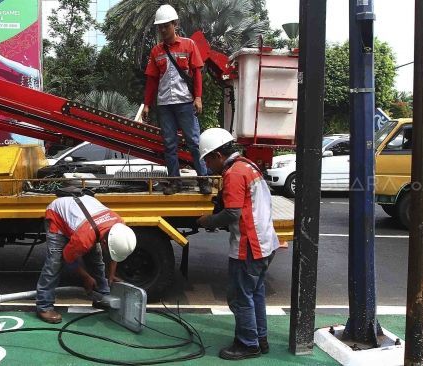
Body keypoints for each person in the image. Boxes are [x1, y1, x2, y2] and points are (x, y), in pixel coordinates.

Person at [195, 128, 280, 360]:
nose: (208, 166)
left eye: (207, 160)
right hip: (265, 243)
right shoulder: (249, 166)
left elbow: (232, 214)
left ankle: (247, 344)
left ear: (218, 155)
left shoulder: (233, 173)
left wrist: (208, 220)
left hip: (249, 245)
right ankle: (259, 339)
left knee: (240, 297)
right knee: (255, 294)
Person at [142, 4, 211, 196]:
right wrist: (147, 104)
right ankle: (174, 182)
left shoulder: (189, 45)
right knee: (169, 145)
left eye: (166, 26)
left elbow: (197, 73)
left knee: (194, 143)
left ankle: (203, 179)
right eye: (160, 27)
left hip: (185, 103)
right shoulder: (156, 51)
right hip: (165, 105)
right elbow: (152, 80)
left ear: (175, 24)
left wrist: (198, 98)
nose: (163, 30)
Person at [36, 194, 137, 324]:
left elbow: (114, 252)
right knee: (54, 263)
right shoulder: (84, 239)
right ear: (105, 242)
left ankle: (103, 296)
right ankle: (44, 306)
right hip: (57, 215)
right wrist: (85, 277)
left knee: (96, 260)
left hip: (86, 220)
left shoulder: (119, 225)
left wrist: (111, 275)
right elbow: (68, 259)